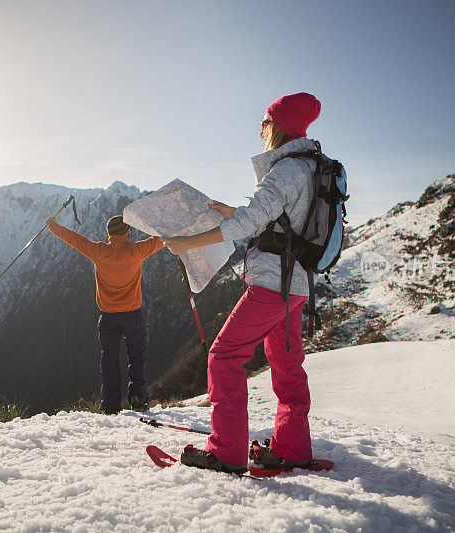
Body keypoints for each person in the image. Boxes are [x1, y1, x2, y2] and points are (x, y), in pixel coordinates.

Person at [164, 92, 324, 473]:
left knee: (224, 356)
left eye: (264, 124)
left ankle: (226, 452)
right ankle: (292, 446)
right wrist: (235, 210)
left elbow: (251, 224)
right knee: (287, 365)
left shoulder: (284, 170)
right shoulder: (312, 168)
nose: (261, 131)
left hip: (271, 284)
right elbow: (284, 221)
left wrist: (187, 242)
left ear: (277, 127)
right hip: (297, 286)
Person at [46, 214, 163, 414]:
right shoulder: (137, 251)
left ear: (110, 234)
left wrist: (53, 226)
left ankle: (110, 406)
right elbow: (161, 239)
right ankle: (138, 399)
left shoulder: (99, 251)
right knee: (137, 357)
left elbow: (75, 240)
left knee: (109, 361)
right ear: (126, 232)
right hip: (132, 316)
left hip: (108, 317)